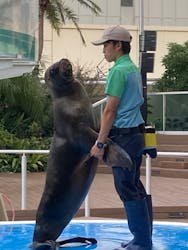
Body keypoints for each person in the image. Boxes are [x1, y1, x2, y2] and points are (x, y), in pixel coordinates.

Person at [90, 25, 153, 250]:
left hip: (124, 138)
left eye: (106, 45)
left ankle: (141, 241)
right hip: (136, 135)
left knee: (126, 187)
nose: (103, 50)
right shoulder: (133, 69)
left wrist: (99, 143)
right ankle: (143, 238)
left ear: (118, 45)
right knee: (135, 185)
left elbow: (110, 110)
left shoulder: (118, 71)